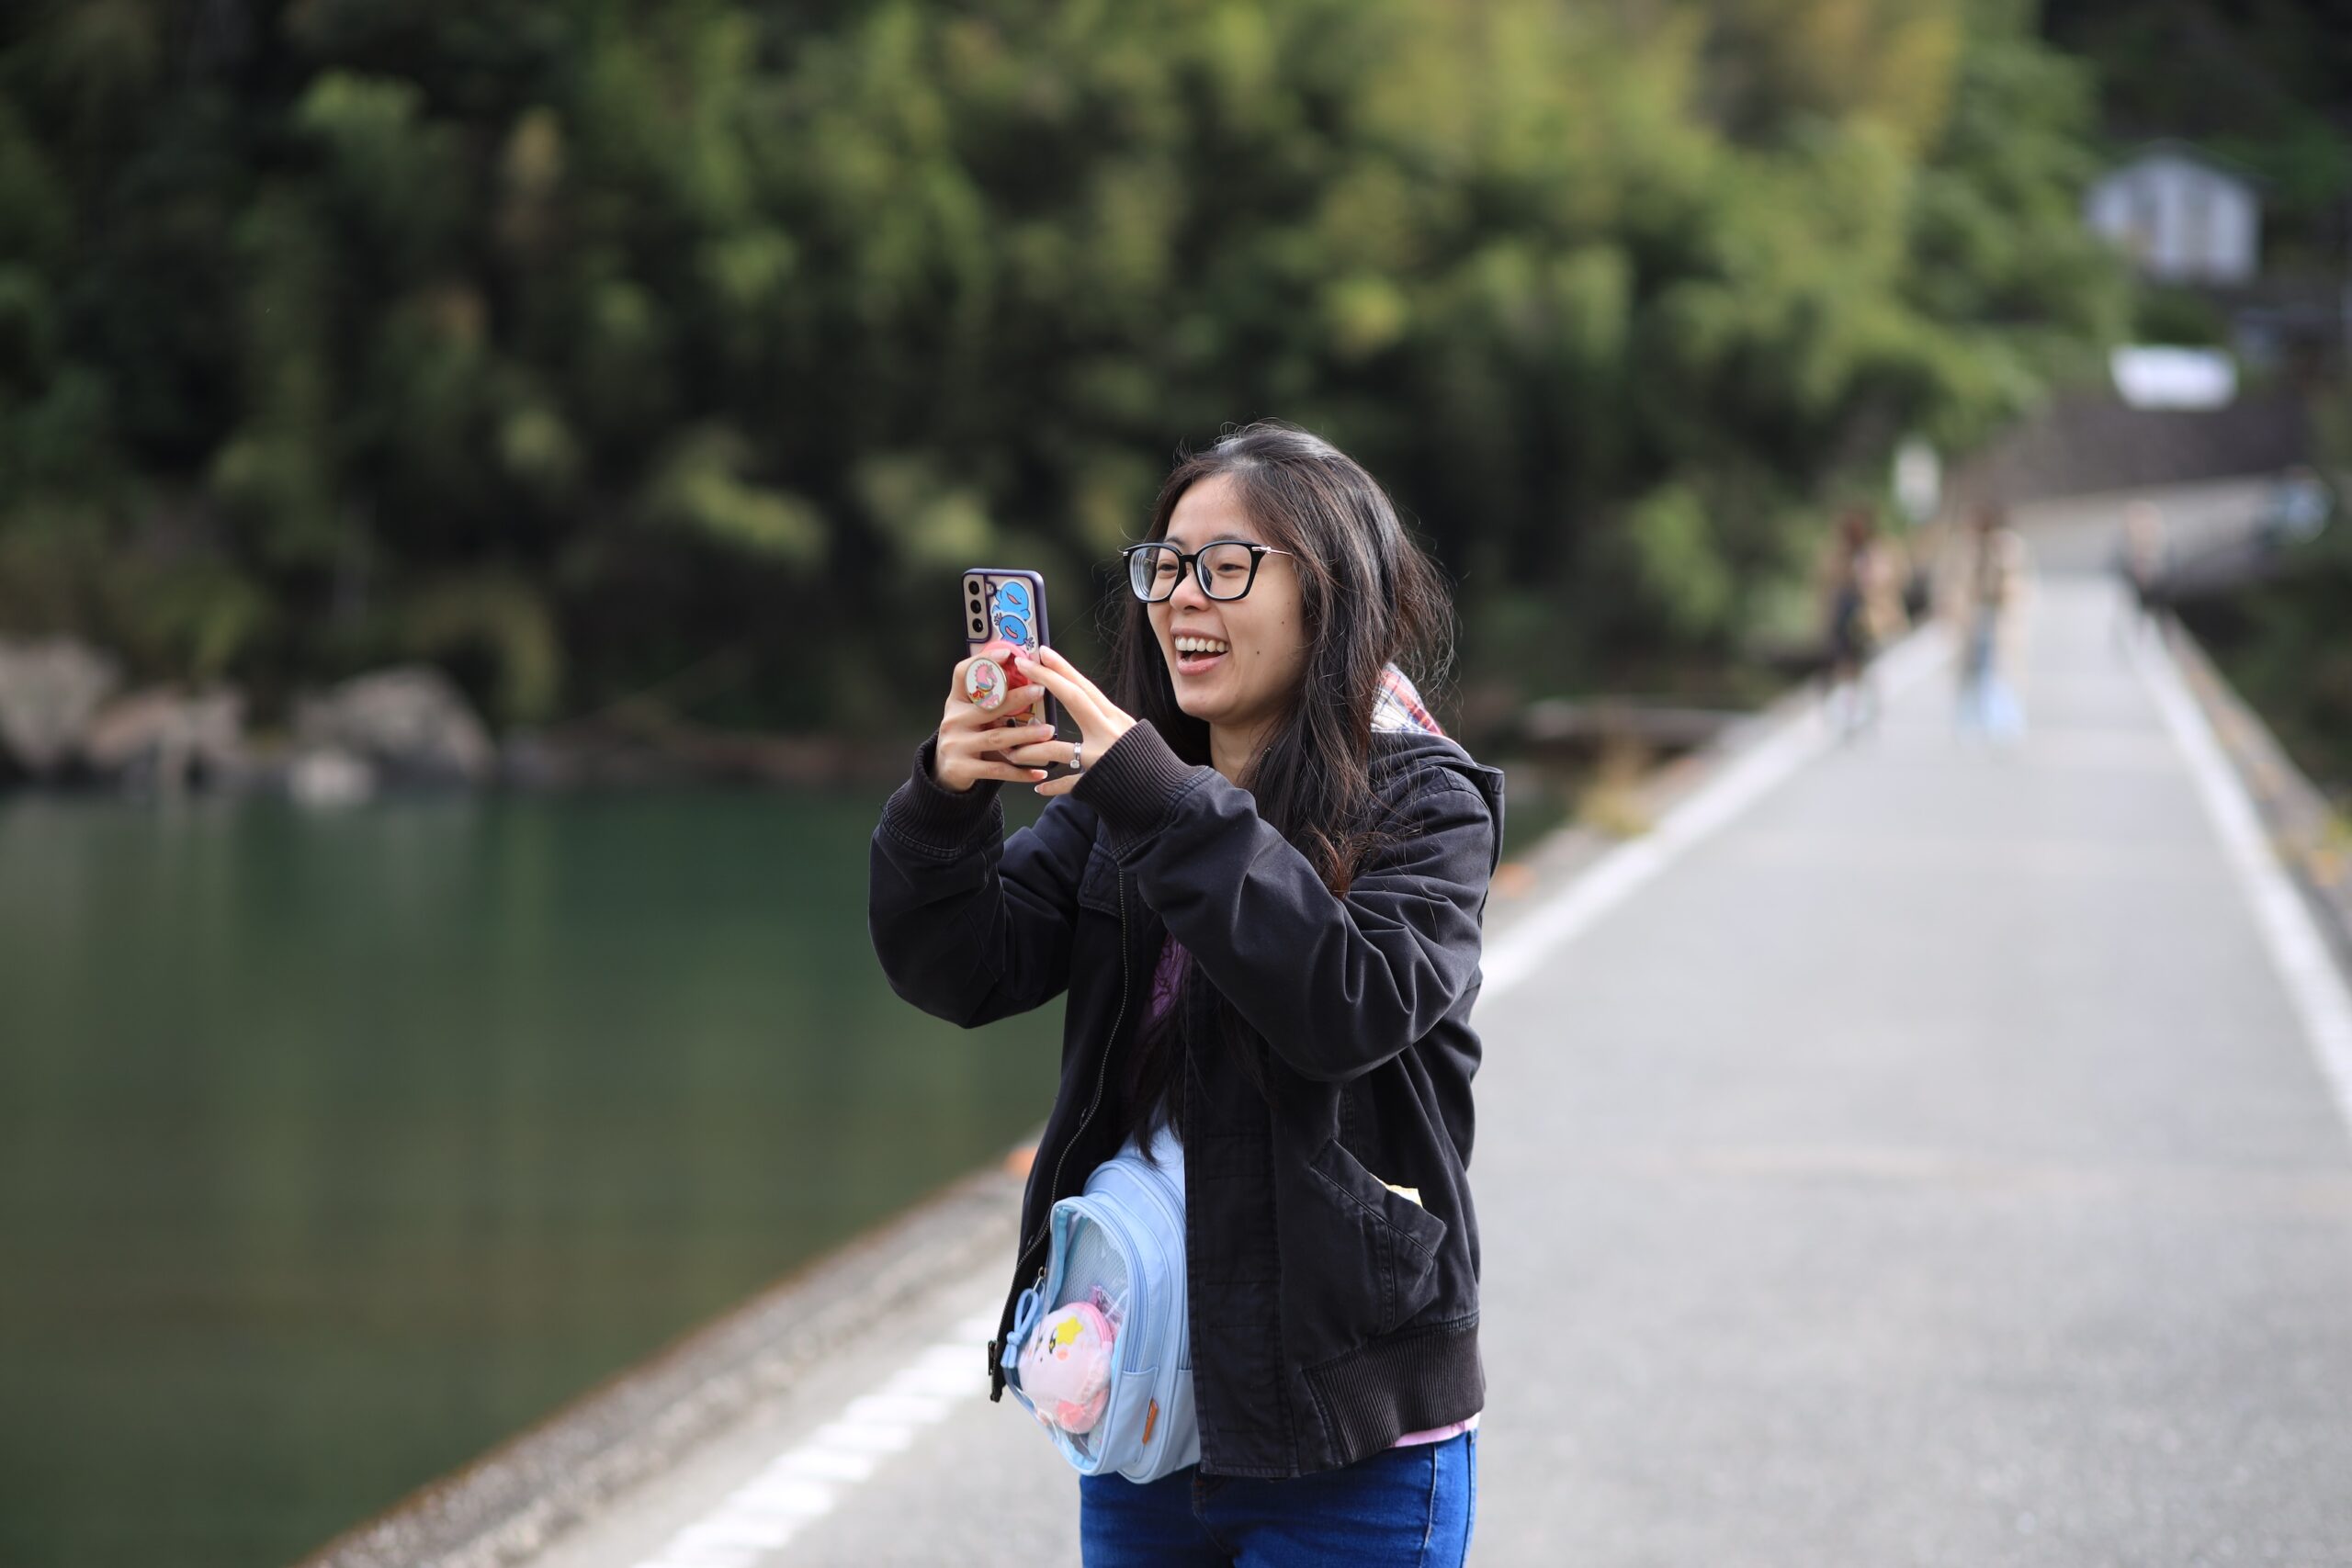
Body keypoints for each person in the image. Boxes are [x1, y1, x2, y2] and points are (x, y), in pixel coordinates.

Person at [870, 423, 1501, 1566]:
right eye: (1165, 566)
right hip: (1143, 1415)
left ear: (1331, 589)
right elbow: (965, 968)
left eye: (1225, 568)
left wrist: (1155, 798)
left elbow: (1344, 1003)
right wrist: (944, 805)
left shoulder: (1425, 804)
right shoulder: (1138, 794)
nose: (1181, 601)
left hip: (1349, 1436)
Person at [1816, 503, 1909, 739]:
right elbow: (1825, 584)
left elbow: (1894, 579)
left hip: (1872, 619)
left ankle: (1873, 718)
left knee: (1873, 669)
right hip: (1844, 616)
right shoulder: (1838, 554)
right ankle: (1849, 717)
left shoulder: (1879, 551)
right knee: (1846, 668)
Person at [1949, 502, 2031, 745]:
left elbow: (2016, 584)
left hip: (2000, 617)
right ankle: (1971, 721)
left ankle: (2005, 722)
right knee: (1973, 672)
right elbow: (1958, 585)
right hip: (1975, 616)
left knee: (2001, 672)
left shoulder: (2007, 547)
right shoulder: (1967, 548)